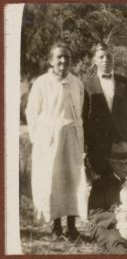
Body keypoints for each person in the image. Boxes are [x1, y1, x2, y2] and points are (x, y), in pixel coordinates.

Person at [25, 41, 87, 241]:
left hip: (73, 136)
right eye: (58, 56)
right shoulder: (42, 83)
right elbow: (32, 112)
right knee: (52, 179)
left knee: (73, 179)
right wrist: (40, 139)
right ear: (51, 60)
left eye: (66, 56)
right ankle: (56, 226)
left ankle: (72, 226)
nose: (63, 60)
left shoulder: (77, 82)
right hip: (49, 138)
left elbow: (81, 109)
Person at [83, 43, 127, 179]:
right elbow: (83, 118)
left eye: (109, 56)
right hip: (99, 145)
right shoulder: (86, 85)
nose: (106, 60)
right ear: (94, 61)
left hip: (125, 146)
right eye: (101, 57)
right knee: (102, 187)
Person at [88, 142, 127, 254]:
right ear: (112, 164)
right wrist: (117, 217)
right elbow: (94, 215)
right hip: (108, 226)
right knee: (114, 238)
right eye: (120, 164)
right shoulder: (100, 184)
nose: (125, 167)